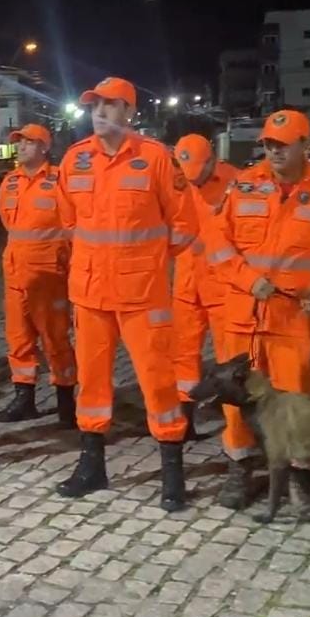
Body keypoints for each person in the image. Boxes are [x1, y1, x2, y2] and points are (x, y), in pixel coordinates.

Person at [52, 76, 199, 511]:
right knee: (92, 382)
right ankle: (91, 465)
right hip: (89, 292)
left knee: (158, 382)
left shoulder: (155, 159)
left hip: (142, 294)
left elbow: (185, 225)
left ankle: (173, 474)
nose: (98, 112)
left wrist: (147, 261)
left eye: (109, 105)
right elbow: (67, 222)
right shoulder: (75, 160)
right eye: (94, 105)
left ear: (129, 112)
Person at [206, 109, 310, 517]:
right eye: (268, 144)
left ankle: (301, 480)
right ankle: (240, 467)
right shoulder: (243, 185)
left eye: (282, 144)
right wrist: (244, 278)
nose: (272, 151)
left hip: (292, 320)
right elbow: (217, 243)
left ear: (304, 146)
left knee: (299, 404)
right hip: (243, 315)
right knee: (236, 400)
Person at [0, 123, 77, 426]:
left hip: (49, 274)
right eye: (19, 142)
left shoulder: (59, 181)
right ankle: (23, 398)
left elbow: (71, 226)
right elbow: (6, 222)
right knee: (18, 339)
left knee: (55, 339)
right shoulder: (10, 183)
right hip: (15, 272)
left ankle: (66, 401)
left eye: (28, 142)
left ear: (44, 147)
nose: (21, 147)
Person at [171, 134, 237, 441]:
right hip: (186, 286)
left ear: (212, 160)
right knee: (183, 354)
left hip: (224, 288)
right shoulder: (176, 182)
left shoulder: (237, 183)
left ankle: (238, 430)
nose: (194, 181)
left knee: (229, 358)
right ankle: (185, 422)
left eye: (199, 173)